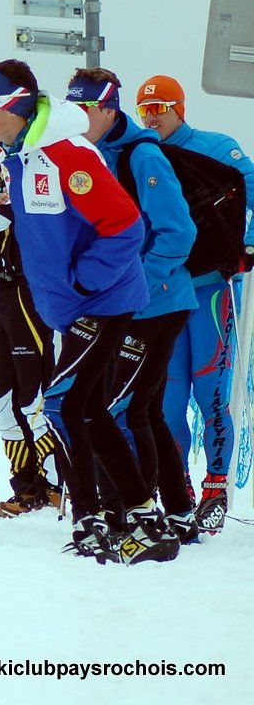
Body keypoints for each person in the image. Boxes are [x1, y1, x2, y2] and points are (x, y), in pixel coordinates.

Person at [0, 59, 171, 564]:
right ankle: (140, 516)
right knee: (88, 409)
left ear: (14, 104)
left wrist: (84, 281)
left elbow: (125, 224)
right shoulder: (20, 156)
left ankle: (91, 518)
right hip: (74, 307)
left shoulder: (64, 152)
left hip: (102, 301)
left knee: (61, 404)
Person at [65, 68, 197, 549]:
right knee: (143, 410)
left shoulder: (142, 155)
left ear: (108, 109)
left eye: (84, 109)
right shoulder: (99, 154)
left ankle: (133, 514)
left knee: (122, 409)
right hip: (136, 304)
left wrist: (131, 283)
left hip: (156, 304)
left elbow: (178, 233)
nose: (76, 118)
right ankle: (177, 511)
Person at [138, 74, 254, 531]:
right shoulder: (141, 155)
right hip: (164, 295)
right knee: (167, 399)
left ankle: (216, 488)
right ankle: (178, 487)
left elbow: (251, 189)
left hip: (208, 289)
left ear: (179, 108)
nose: (151, 116)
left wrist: (246, 245)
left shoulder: (214, 146)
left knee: (211, 391)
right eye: (145, 109)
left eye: (160, 107)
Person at [0, 150, 63, 517]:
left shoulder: (41, 162)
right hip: (2, 292)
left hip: (31, 289)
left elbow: (19, 213)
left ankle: (57, 484)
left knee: (33, 398)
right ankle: (26, 487)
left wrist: (0, 211)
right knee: (0, 401)